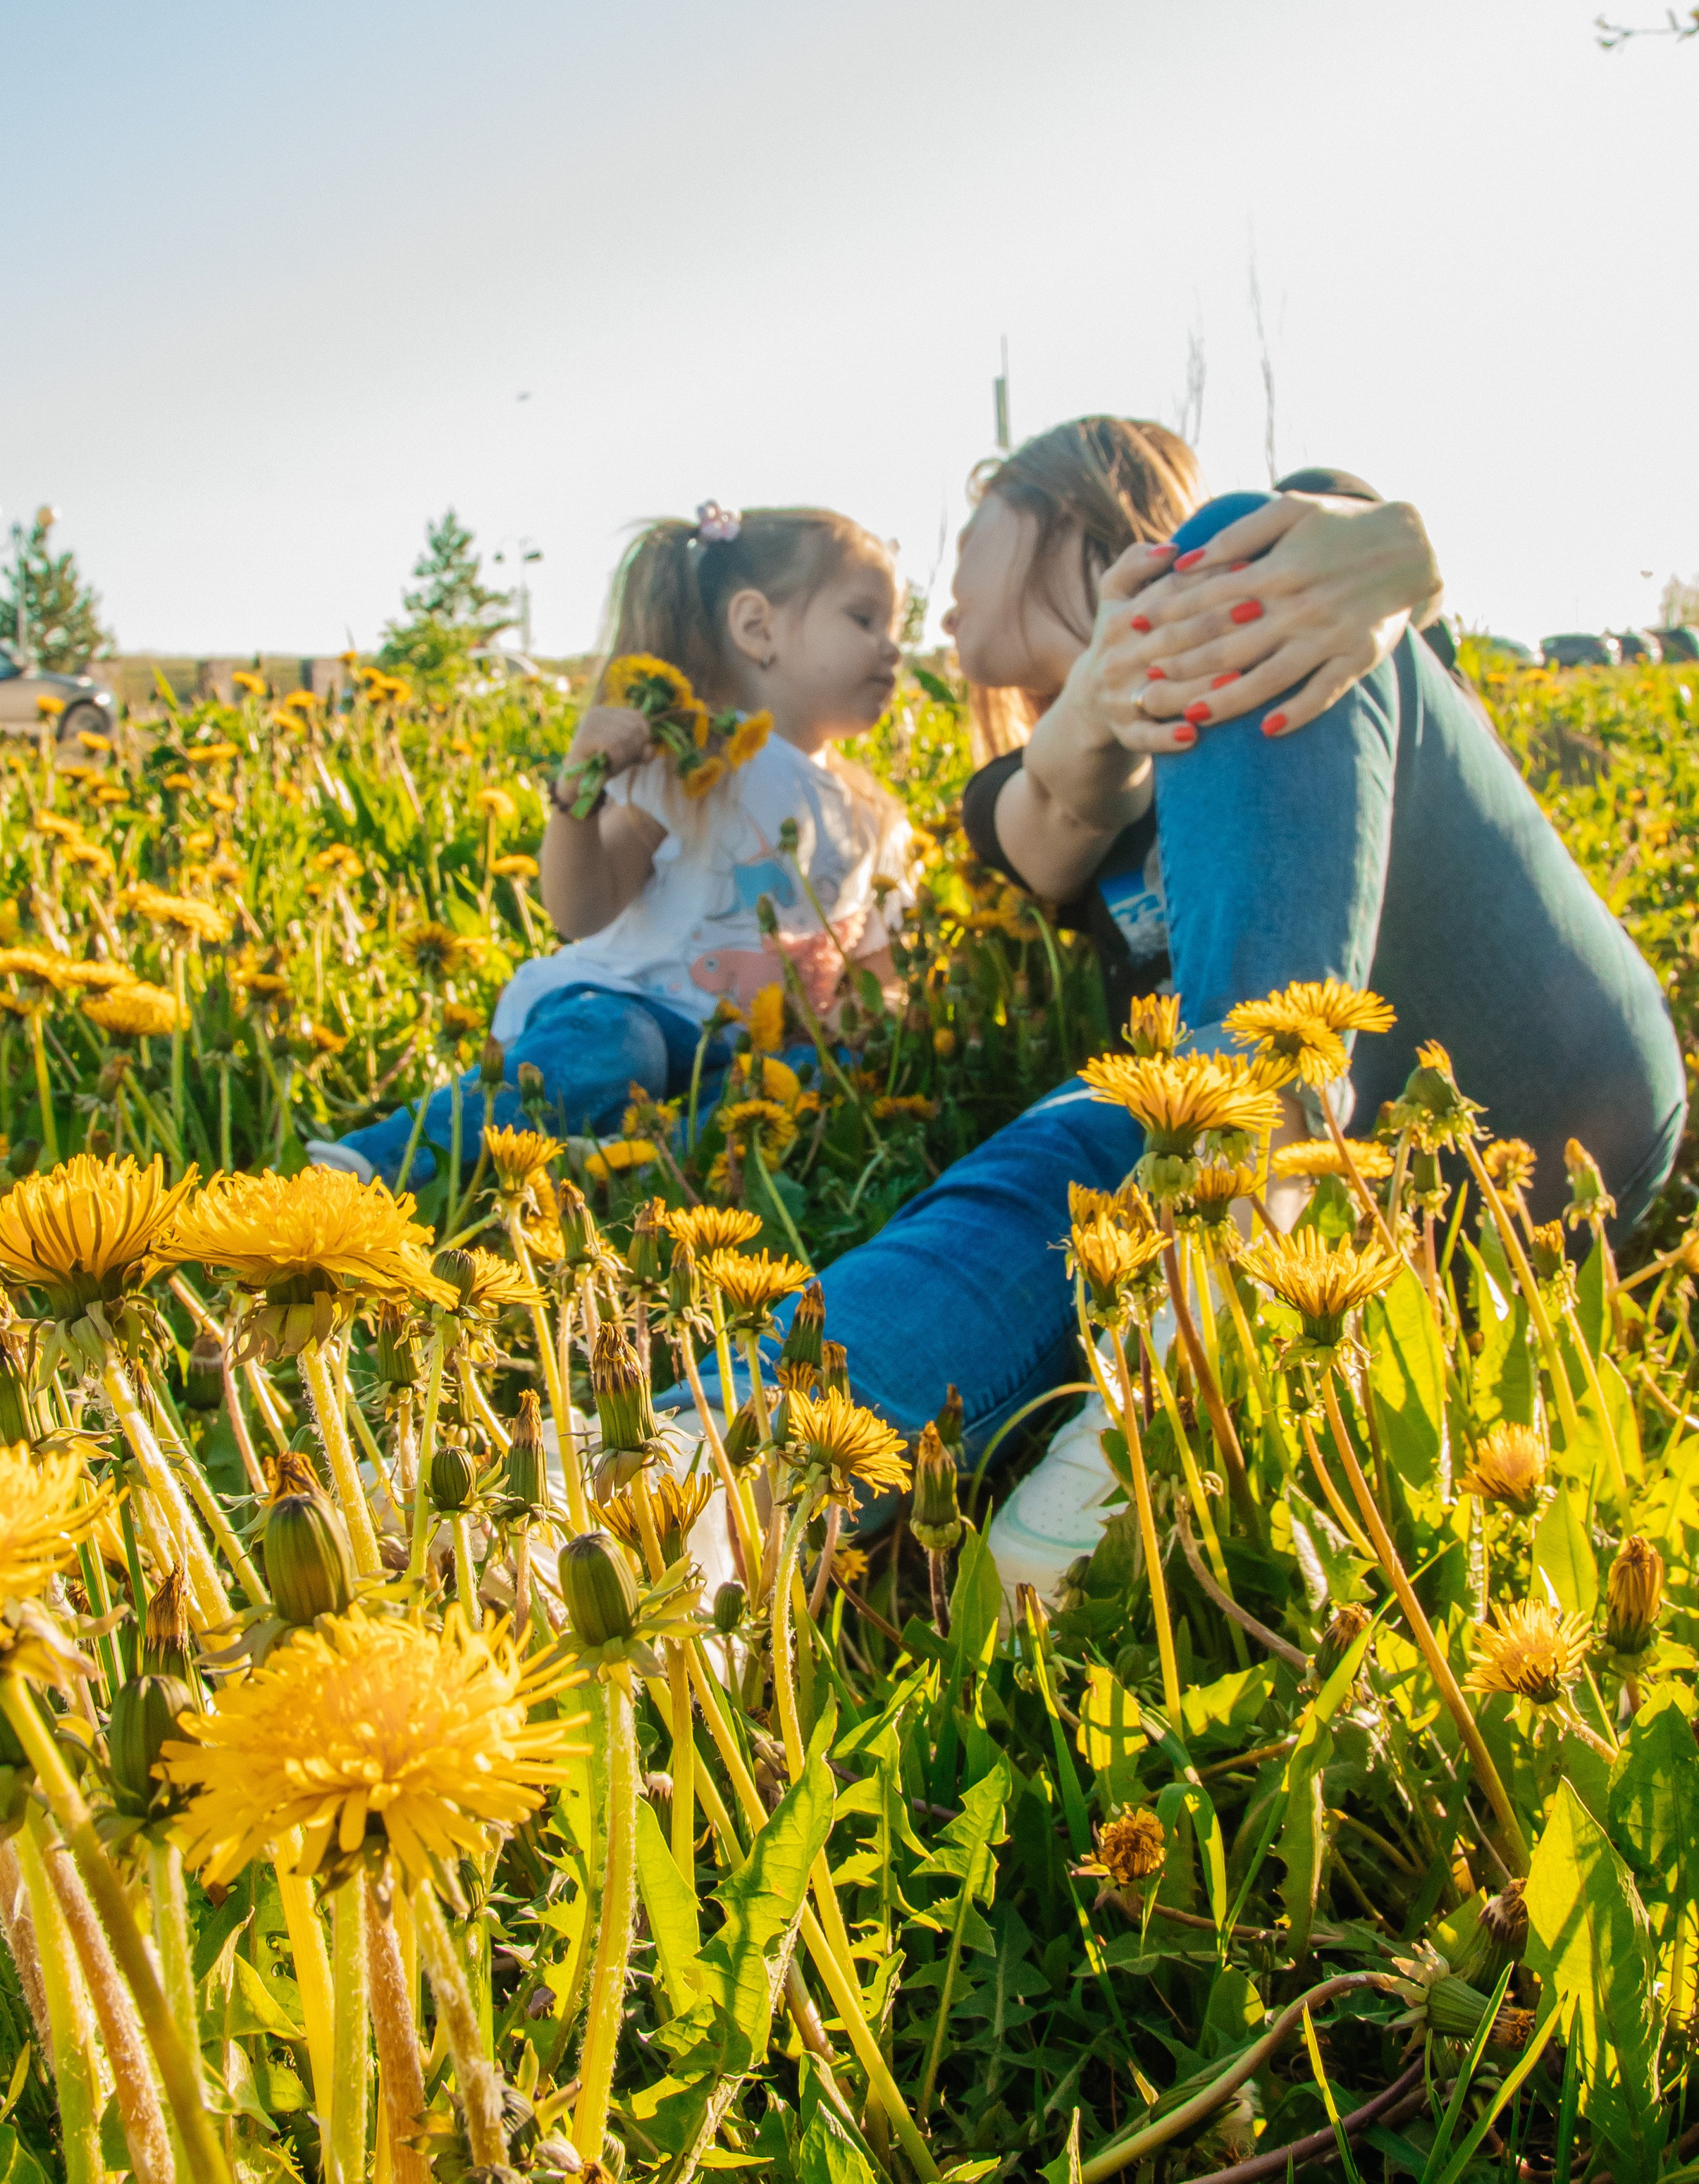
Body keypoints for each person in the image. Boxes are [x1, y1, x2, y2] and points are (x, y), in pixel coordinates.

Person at [806, 417, 1686, 1598]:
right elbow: (1048, 824)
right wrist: (1109, 694)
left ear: (1061, 509)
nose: (942, 605)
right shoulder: (1018, 791)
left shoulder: (1281, 563)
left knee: (1230, 559)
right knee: (1074, 1153)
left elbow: (1354, 537)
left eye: (968, 537)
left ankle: (1231, 1224)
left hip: (1525, 1077)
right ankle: (702, 1461)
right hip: (1326, 1216)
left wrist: (1398, 552)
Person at [310, 504, 910, 1187]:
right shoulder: (696, 758)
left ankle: (630, 1173)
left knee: (807, 1080)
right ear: (757, 627)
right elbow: (581, 910)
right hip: (622, 1005)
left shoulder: (878, 817)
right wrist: (578, 799)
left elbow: (877, 977)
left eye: (896, 628)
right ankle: (378, 1166)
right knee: (621, 1049)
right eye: (864, 619)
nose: (891, 646)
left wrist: (863, 1027)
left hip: (738, 1051)